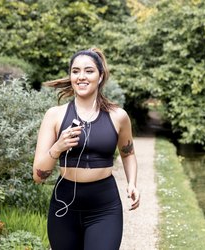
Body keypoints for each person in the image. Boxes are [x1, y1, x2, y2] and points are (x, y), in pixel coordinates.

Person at [32, 48, 140, 250]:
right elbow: (38, 176)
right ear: (71, 76)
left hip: (105, 208)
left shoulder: (118, 116)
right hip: (63, 207)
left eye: (89, 71)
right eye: (75, 71)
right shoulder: (54, 116)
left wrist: (132, 183)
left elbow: (129, 153)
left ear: (100, 76)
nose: (81, 76)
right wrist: (58, 147)